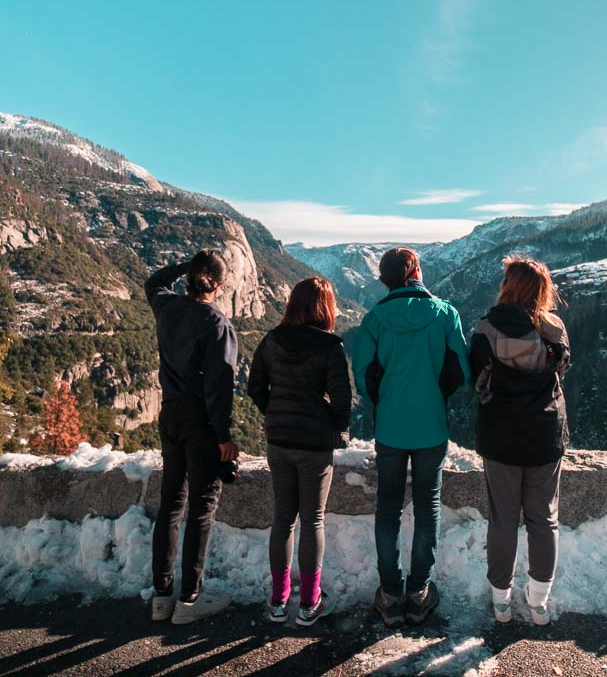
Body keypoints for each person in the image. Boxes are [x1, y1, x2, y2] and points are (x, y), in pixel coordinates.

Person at [351, 247, 470, 626]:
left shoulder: (374, 320)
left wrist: (385, 402)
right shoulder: (445, 313)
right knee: (426, 506)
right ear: (416, 271)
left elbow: (364, 375)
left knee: (387, 508)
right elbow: (460, 370)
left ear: (385, 279)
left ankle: (389, 594)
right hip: (431, 426)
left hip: (390, 427)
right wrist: (435, 397)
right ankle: (419, 593)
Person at [468, 257, 571, 626]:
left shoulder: (487, 327)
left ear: (508, 285)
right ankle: (539, 602)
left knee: (503, 520)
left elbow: (475, 376)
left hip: (500, 436)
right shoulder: (554, 329)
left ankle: (501, 601)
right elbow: (561, 372)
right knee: (544, 520)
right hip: (545, 435)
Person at [247, 277, 352, 627]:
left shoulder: (272, 340)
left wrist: (276, 413)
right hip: (314, 444)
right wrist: (333, 425)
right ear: (326, 307)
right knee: (313, 521)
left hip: (279, 440)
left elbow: (255, 387)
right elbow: (342, 401)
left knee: (283, 519)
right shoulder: (330, 347)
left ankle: (278, 600)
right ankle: (309, 602)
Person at [144, 250, 240, 624]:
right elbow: (220, 385)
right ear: (217, 285)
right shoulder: (216, 323)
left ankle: (161, 596)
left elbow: (153, 282)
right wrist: (224, 435)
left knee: (171, 504)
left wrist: (186, 265)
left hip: (170, 415)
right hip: (202, 422)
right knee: (201, 509)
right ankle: (189, 599)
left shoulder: (167, 307)